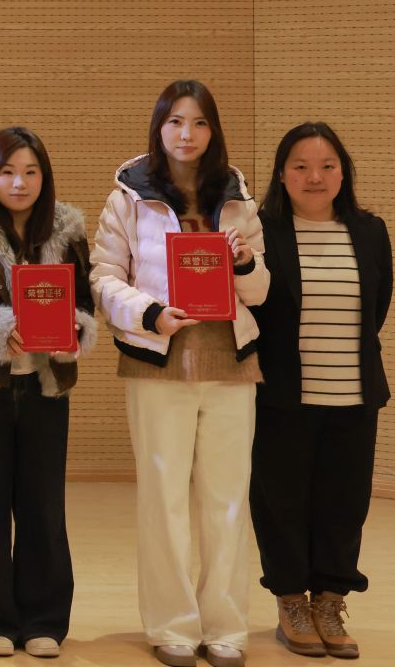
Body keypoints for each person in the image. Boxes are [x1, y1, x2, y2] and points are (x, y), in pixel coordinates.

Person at [90, 79, 269, 667]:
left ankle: (226, 628)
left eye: (198, 123)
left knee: (227, 502)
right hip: (158, 365)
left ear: (213, 131)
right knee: (163, 502)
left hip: (231, 365)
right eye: (175, 122)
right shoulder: (128, 197)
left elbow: (261, 291)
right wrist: (149, 314)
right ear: (158, 128)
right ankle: (171, 626)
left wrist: (244, 262)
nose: (186, 134)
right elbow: (103, 278)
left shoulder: (238, 197)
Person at [0, 126, 97, 659]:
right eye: (7, 172)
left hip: (46, 388)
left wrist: (75, 330)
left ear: (44, 177)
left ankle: (44, 619)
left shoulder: (68, 232)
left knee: (43, 506)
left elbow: (85, 301)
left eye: (31, 172)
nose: (19, 182)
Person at [250, 122, 391, 660]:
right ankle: (291, 602)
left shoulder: (370, 231)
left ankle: (330, 602)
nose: (315, 177)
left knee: (344, 504)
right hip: (283, 396)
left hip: (354, 395)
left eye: (327, 166)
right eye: (301, 166)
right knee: (281, 503)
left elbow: (378, 307)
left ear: (343, 172)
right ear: (282, 174)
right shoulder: (263, 231)